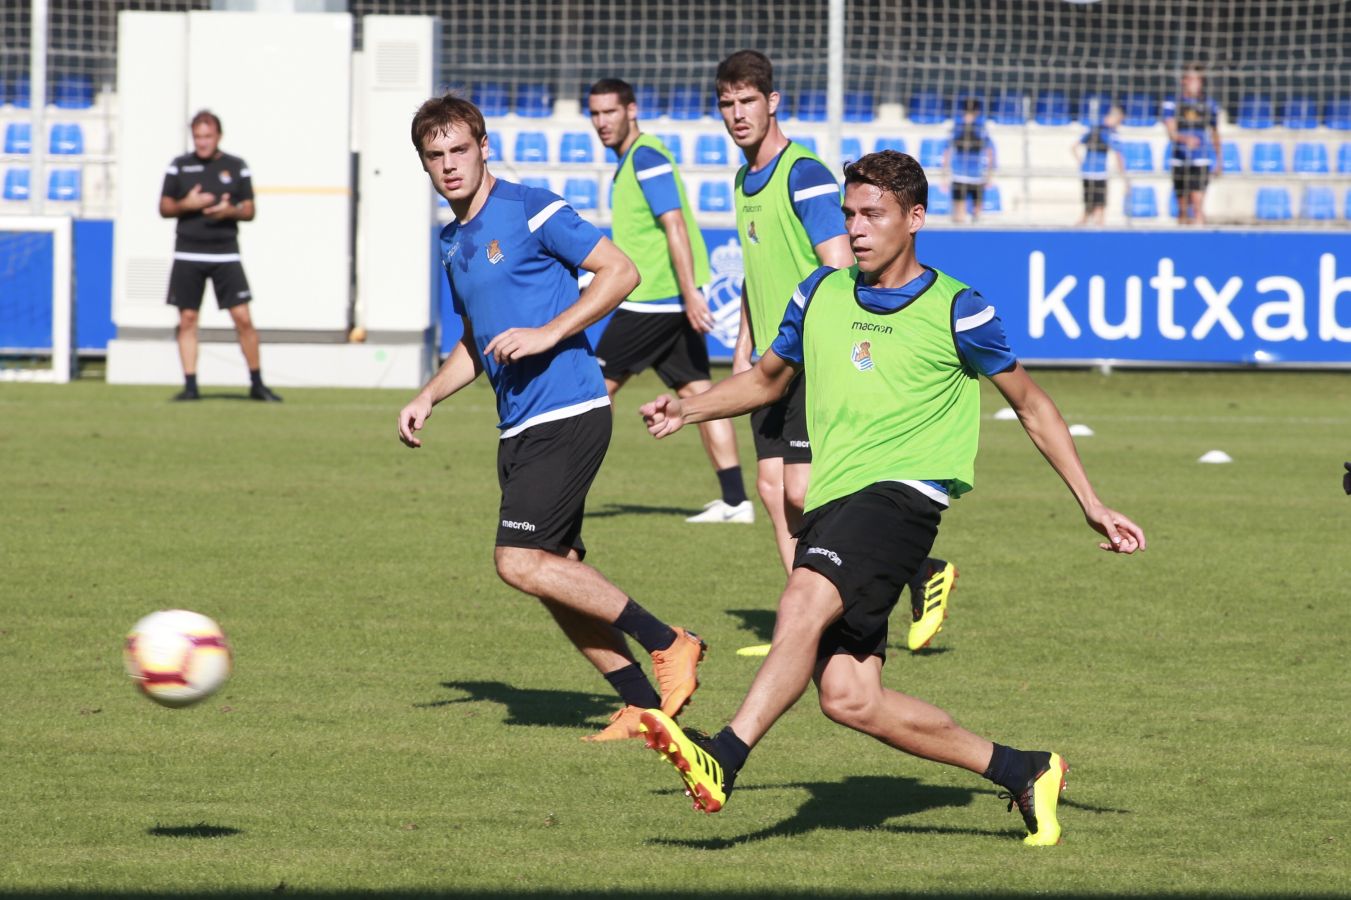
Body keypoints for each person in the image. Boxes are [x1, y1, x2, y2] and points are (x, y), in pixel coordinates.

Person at [633, 150, 1146, 845]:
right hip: (834, 499)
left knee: (802, 596)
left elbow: (1032, 405)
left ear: (914, 218)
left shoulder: (957, 308)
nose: (856, 228)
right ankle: (1024, 769)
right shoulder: (819, 293)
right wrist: (687, 411)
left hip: (904, 498)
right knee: (849, 698)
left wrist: (1090, 500)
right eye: (848, 214)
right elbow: (763, 381)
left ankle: (722, 757)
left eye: (871, 214)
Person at [396, 94, 706, 743]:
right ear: (425, 166)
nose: (449, 165)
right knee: (555, 574)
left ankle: (670, 641)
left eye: (459, 149)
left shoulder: (530, 205)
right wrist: (429, 395)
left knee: (517, 560)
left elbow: (620, 272)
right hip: (517, 427)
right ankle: (646, 707)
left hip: (569, 409)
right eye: (435, 156)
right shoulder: (451, 242)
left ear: (483, 147)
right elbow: (474, 340)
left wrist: (547, 332)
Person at [718, 50, 957, 654]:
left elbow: (841, 261)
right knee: (774, 493)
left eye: (748, 101)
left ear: (772, 102)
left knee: (804, 492)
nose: (737, 114)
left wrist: (841, 339)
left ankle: (915, 570)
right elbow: (757, 270)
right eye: (726, 103)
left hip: (809, 355)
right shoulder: (743, 179)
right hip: (773, 355)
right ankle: (805, 628)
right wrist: (746, 341)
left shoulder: (804, 173)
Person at [586, 78, 751, 524]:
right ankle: (737, 502)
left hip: (654, 299)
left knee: (593, 389)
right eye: (595, 114)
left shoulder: (647, 156)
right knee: (699, 392)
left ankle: (566, 489)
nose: (602, 122)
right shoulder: (631, 161)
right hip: (664, 298)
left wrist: (689, 291)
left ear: (631, 111)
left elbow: (674, 224)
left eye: (610, 112)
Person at [159, 110, 280, 402]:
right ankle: (190, 386)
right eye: (198, 137)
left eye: (207, 136)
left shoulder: (236, 167)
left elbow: (249, 210)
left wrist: (231, 211)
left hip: (225, 253)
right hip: (188, 252)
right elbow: (164, 207)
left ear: (218, 137)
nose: (202, 143)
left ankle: (257, 383)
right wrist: (187, 204)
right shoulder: (179, 166)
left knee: (243, 318)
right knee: (187, 318)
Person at [1162, 64, 1222, 225]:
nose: (1195, 83)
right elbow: (1171, 132)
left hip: (1200, 159)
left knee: (1197, 204)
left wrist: (1219, 160)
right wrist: (1184, 139)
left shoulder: (1208, 104)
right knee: (1182, 208)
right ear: (1184, 81)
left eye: (1198, 80)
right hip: (1179, 159)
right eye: (1191, 79)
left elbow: (1215, 133)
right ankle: (1182, 242)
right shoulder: (1173, 103)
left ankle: (1199, 240)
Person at [944, 97, 996, 225]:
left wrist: (989, 174)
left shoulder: (981, 129)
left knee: (977, 215)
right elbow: (948, 150)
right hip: (959, 175)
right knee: (959, 216)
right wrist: (945, 173)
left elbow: (990, 151)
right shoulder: (957, 127)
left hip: (976, 176)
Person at [1074, 105, 1126, 226]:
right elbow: (1118, 155)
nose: (1119, 124)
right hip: (1099, 174)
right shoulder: (1111, 133)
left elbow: (1073, 147)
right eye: (1119, 121)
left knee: (1087, 208)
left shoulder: (1092, 128)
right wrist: (1124, 177)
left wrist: (1081, 162)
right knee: (1099, 209)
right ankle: (1098, 235)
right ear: (1115, 117)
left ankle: (1080, 231)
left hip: (1086, 172)